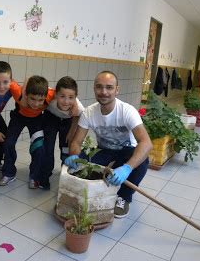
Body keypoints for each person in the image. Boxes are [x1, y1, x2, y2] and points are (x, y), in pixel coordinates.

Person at [65, 71, 153, 218]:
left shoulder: (127, 111)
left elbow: (146, 143)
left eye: (109, 87)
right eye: (99, 87)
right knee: (78, 161)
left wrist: (127, 168)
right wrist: (74, 156)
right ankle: (88, 187)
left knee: (142, 159)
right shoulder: (89, 112)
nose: (104, 92)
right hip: (104, 150)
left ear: (117, 90)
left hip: (126, 151)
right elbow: (76, 142)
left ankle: (124, 197)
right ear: (94, 89)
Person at [0, 75, 55, 188]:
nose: (36, 103)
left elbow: (66, 90)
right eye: (32, 99)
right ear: (26, 94)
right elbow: (2, 79)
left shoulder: (50, 94)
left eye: (40, 100)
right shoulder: (17, 92)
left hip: (37, 119)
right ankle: (9, 173)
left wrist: (75, 107)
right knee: (8, 143)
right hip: (18, 117)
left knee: (39, 147)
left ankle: (34, 176)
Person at [39, 76, 84, 190]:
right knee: (48, 147)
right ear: (56, 94)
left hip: (68, 121)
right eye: (62, 96)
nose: (66, 101)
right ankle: (44, 176)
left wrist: (71, 132)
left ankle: (66, 175)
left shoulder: (78, 108)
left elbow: (77, 117)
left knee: (66, 148)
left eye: (71, 98)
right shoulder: (49, 96)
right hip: (51, 118)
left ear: (75, 97)